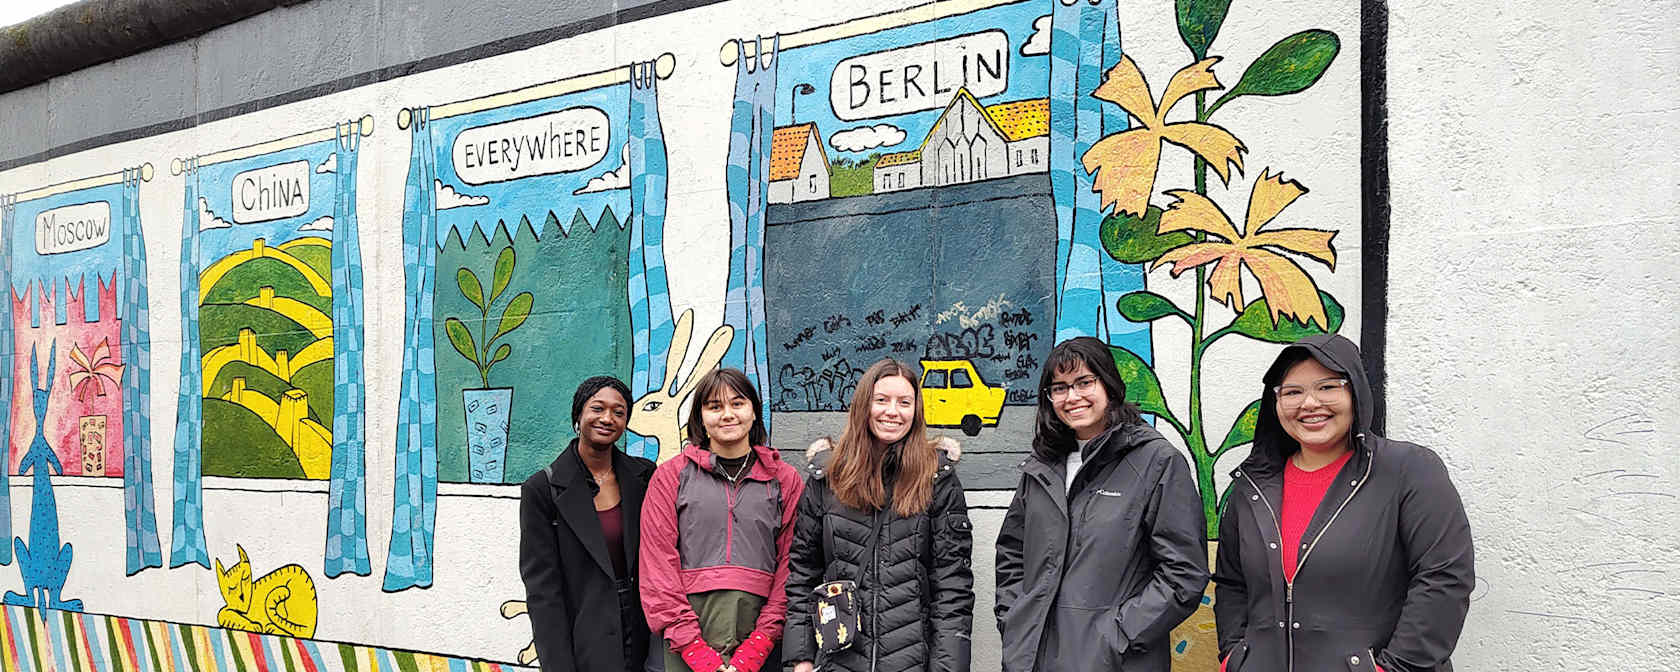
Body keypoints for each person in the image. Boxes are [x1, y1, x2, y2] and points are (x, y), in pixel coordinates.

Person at [1212, 334, 1474, 672]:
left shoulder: (1408, 471)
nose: (1309, 403)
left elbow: (1444, 578)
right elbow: (1233, 584)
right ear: (1275, 403)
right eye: (1292, 392)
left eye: (1327, 387)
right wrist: (1235, 659)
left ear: (1356, 392)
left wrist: (1394, 669)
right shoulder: (1252, 487)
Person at [995, 336, 1210, 672]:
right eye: (1060, 387)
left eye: (1084, 382)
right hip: (1033, 658)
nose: (1072, 397)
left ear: (1109, 385)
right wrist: (1016, 621)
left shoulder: (1156, 462)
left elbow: (1183, 574)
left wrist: (1116, 636)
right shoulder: (1042, 466)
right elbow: (1012, 554)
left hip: (1113, 661)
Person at [785, 358, 975, 672]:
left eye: (904, 402)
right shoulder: (827, 477)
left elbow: (952, 584)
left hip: (913, 661)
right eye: (881, 400)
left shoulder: (936, 478)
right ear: (863, 406)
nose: (893, 412)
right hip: (838, 660)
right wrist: (800, 657)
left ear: (916, 411)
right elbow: (803, 573)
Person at [640, 368, 804, 672]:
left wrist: (755, 650)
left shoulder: (784, 480)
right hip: (683, 640)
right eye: (715, 406)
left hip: (761, 639)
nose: (727, 414)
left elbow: (792, 567)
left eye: (738, 403)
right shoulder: (670, 477)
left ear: (754, 411)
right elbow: (657, 568)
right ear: (700, 418)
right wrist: (696, 652)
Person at [518, 376, 661, 672]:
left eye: (619, 412)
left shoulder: (645, 477)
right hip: (586, 640)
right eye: (597, 408)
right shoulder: (543, 490)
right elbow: (543, 592)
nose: (607, 418)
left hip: (646, 637)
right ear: (578, 415)